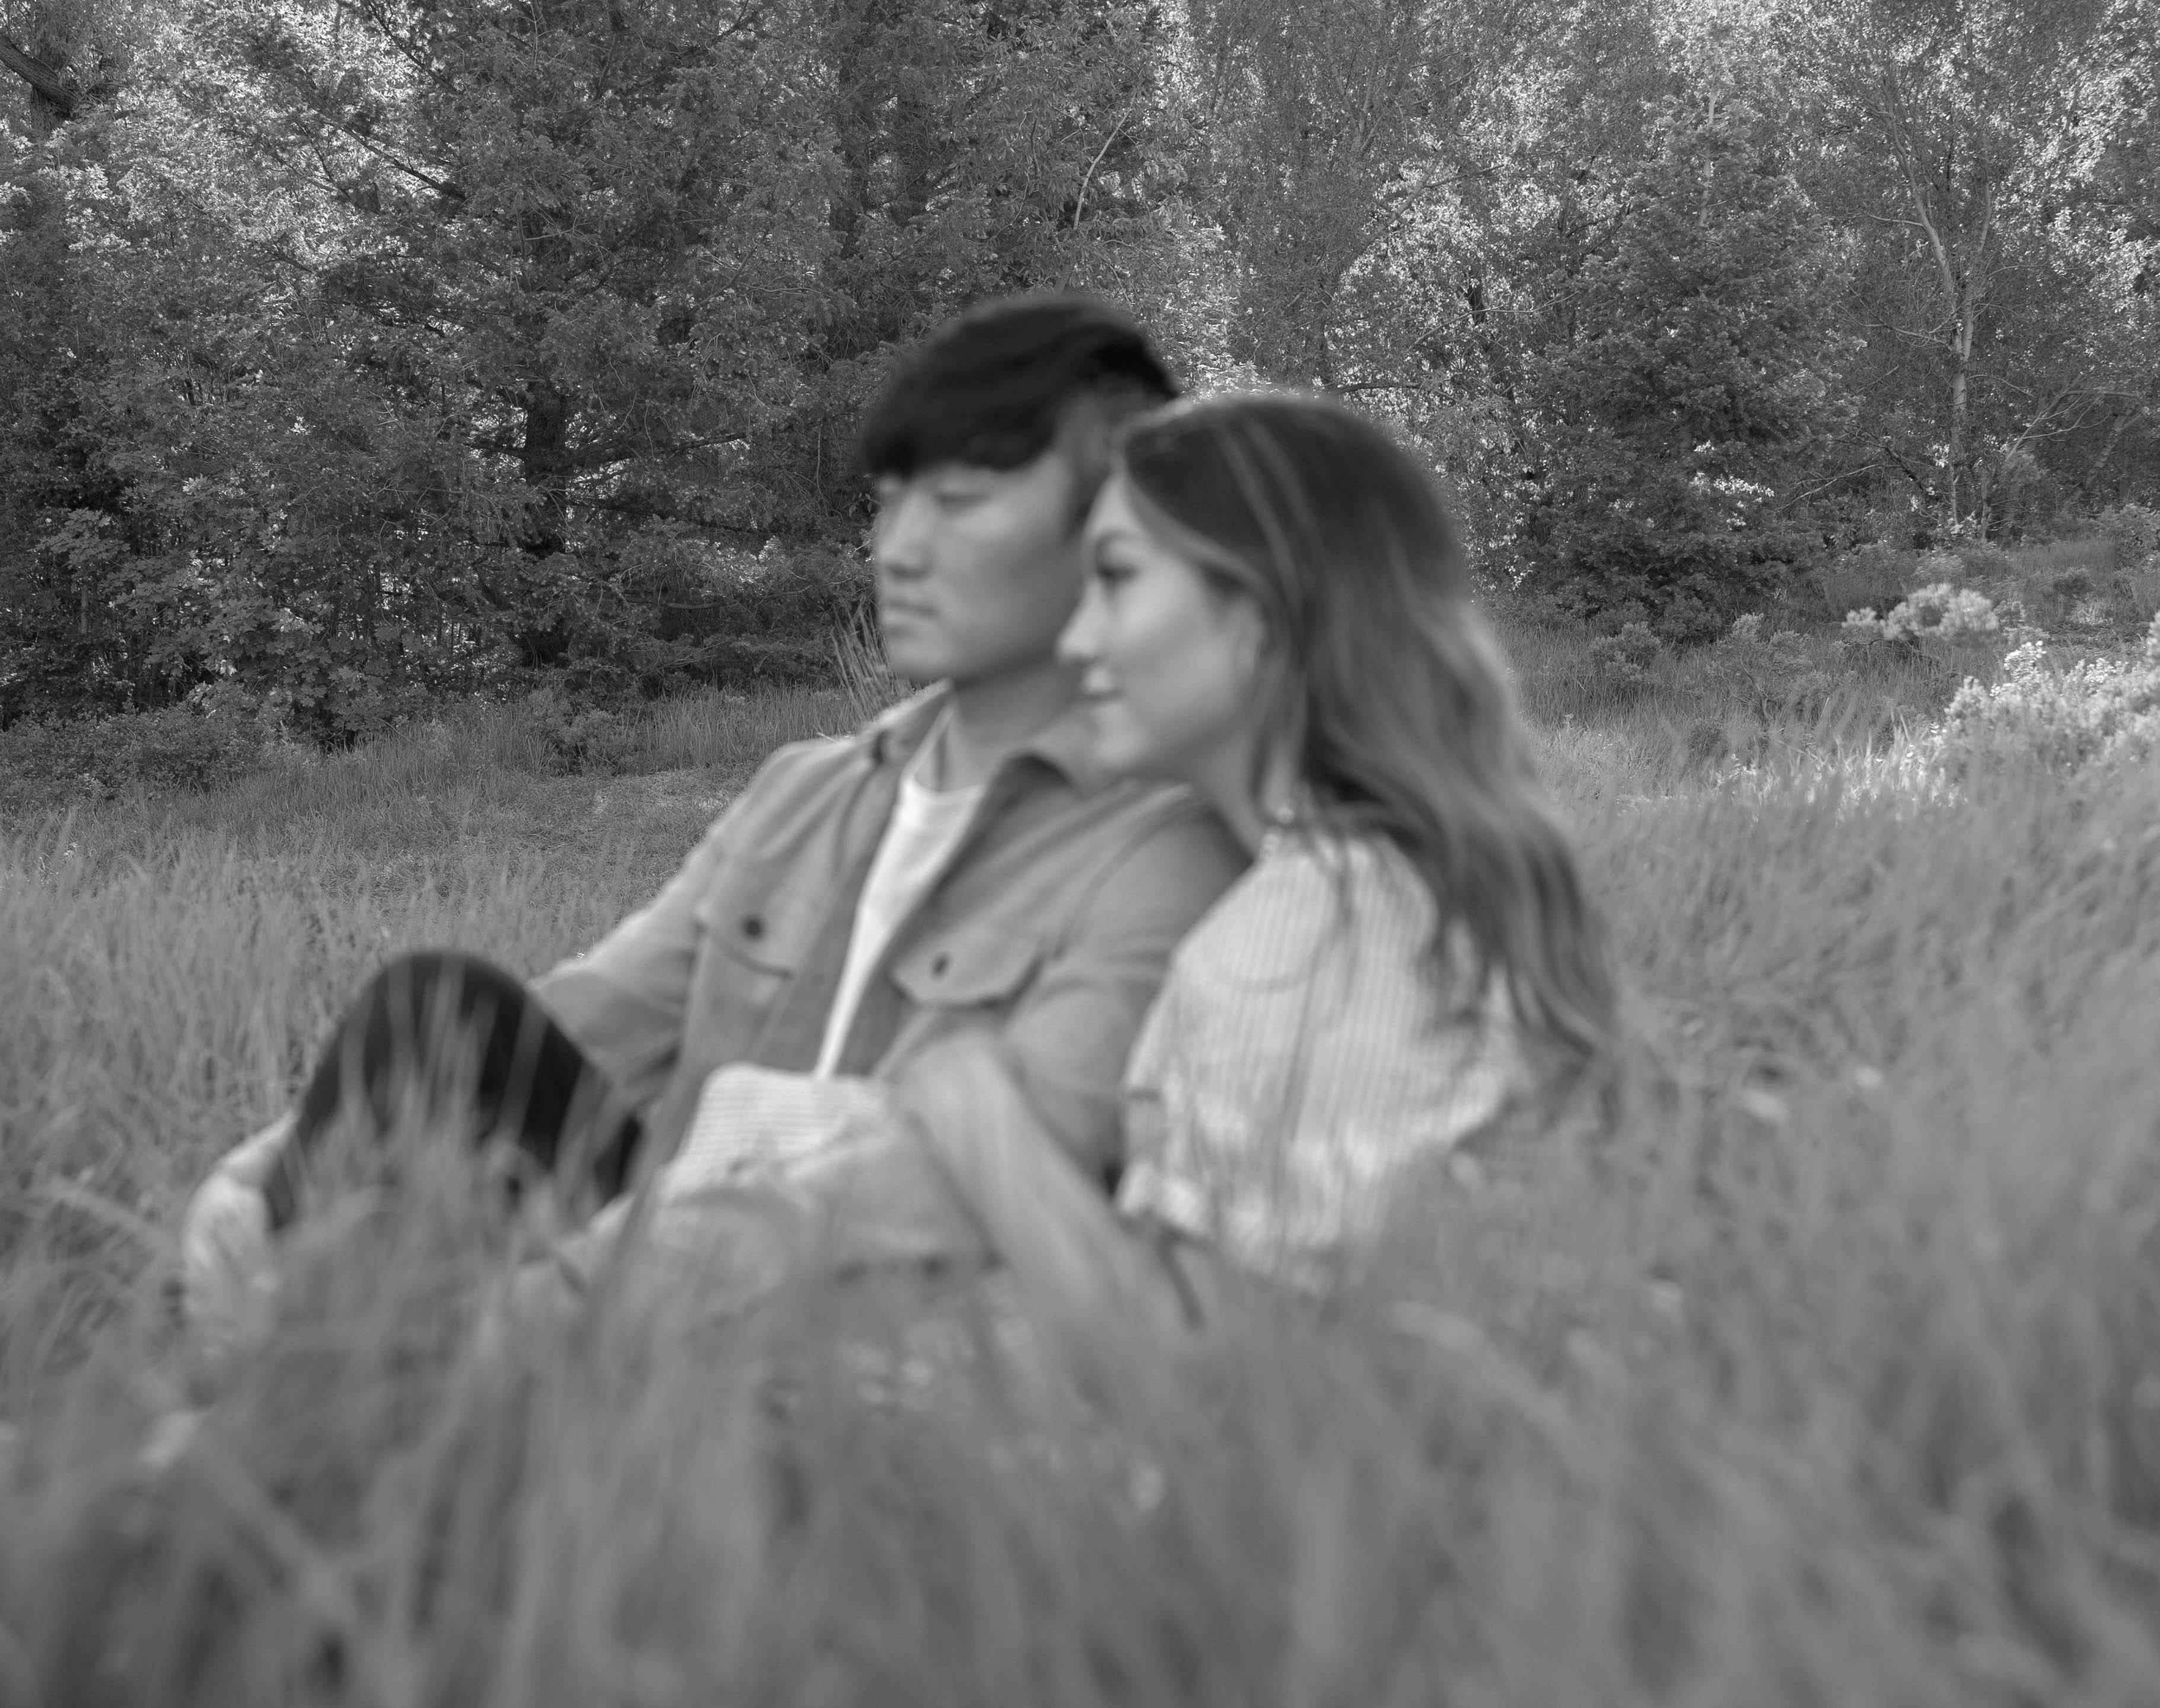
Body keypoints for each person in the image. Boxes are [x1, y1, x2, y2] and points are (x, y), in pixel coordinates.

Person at [174, 289, 1250, 1342]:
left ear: (1111, 533)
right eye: (890, 500)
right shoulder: (810, 787)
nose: (898, 548)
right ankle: (245, 1373)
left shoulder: (1162, 852)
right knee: (435, 1014)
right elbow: (599, 1010)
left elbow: (954, 1184)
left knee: (387, 1348)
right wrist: (258, 1175)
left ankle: (304, 1398)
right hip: (637, 1251)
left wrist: (520, 1319)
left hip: (856, 1335)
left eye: (959, 502)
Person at [620, 390, 1617, 1353]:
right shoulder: (1376, 885)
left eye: (1117, 577)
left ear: (1261, 612)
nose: (1077, 635)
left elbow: (1201, 1364)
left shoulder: (1316, 922)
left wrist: (974, 1106)